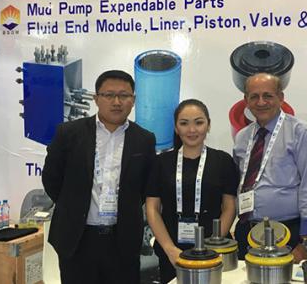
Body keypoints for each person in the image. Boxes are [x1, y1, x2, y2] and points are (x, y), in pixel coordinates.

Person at [42, 70, 156, 283]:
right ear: (96, 99)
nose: (116, 102)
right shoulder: (69, 133)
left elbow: (144, 188)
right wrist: (73, 205)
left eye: (124, 95)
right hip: (77, 239)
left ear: (133, 100)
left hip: (122, 240)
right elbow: (51, 178)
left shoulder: (144, 140)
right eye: (109, 95)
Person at [232, 73, 307, 261]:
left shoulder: (302, 133)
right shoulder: (242, 137)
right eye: (254, 96)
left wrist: (306, 242)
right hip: (248, 231)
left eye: (268, 95)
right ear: (246, 100)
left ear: (281, 98)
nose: (261, 102)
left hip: (289, 233)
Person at [146, 99, 238, 283]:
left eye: (199, 122)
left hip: (214, 250)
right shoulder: (161, 162)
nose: (192, 130)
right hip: (172, 250)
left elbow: (229, 208)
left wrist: (213, 245)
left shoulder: (223, 161)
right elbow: (152, 209)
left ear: (208, 125)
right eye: (184, 123)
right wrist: (170, 249)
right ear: (176, 128)